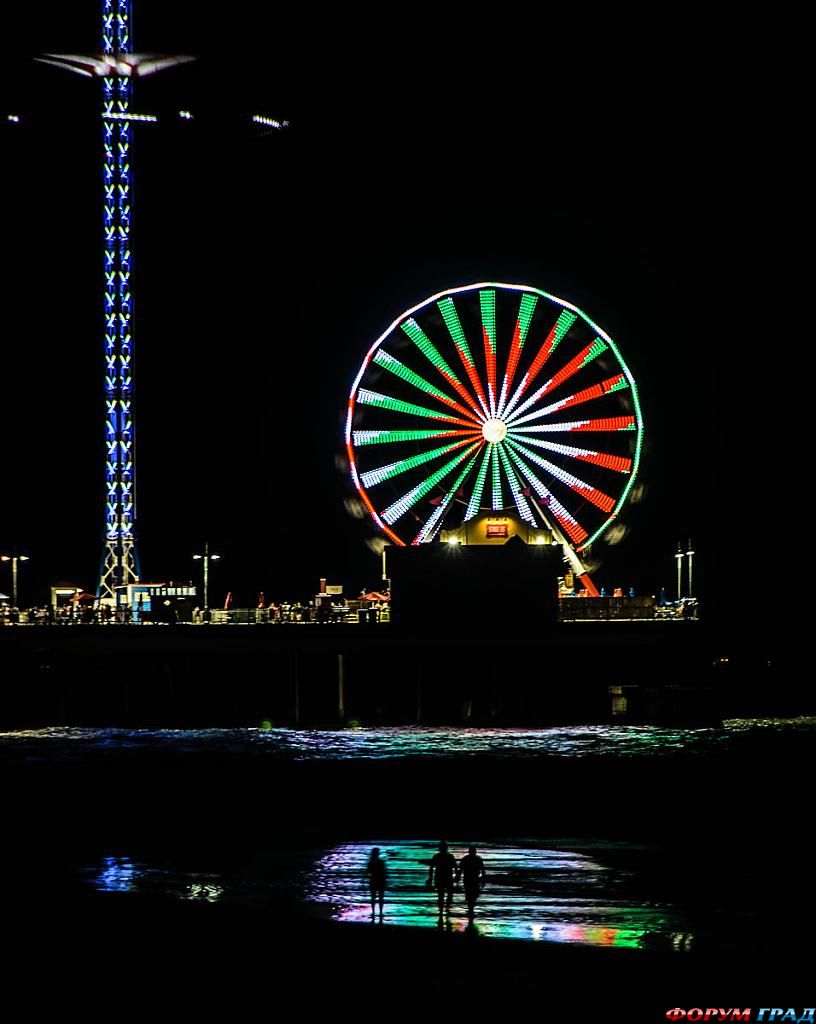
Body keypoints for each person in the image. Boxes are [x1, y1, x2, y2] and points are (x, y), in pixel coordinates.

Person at [427, 840, 457, 918]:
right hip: (447, 878)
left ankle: (442, 911)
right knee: (448, 894)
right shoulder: (449, 856)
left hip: (440, 878)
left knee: (441, 895)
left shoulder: (437, 856)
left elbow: (431, 868)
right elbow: (455, 867)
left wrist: (430, 878)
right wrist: (457, 877)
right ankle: (446, 909)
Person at [457, 845, 486, 919]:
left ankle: (471, 910)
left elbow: (461, 870)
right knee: (473, 895)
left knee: (470, 895)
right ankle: (471, 910)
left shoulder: (466, 859)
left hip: (468, 879)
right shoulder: (477, 859)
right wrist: (483, 880)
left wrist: (458, 877)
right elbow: (482, 870)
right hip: (473, 879)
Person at [365, 847, 386, 920]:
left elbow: (367, 873)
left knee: (373, 898)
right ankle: (380, 913)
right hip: (380, 881)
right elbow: (384, 873)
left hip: (374, 880)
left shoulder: (370, 862)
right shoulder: (381, 862)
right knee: (380, 898)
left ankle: (374, 912)